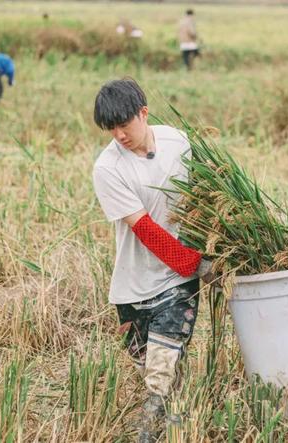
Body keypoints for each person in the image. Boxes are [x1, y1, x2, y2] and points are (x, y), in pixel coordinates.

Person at [91, 78, 212, 443]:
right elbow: (145, 230)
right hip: (133, 288)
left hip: (176, 284)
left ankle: (146, 437)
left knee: (161, 376)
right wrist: (196, 264)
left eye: (124, 125)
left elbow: (204, 197)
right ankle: (177, 428)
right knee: (156, 373)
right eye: (110, 129)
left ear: (143, 114)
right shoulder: (107, 168)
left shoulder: (179, 142)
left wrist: (205, 255)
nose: (119, 135)